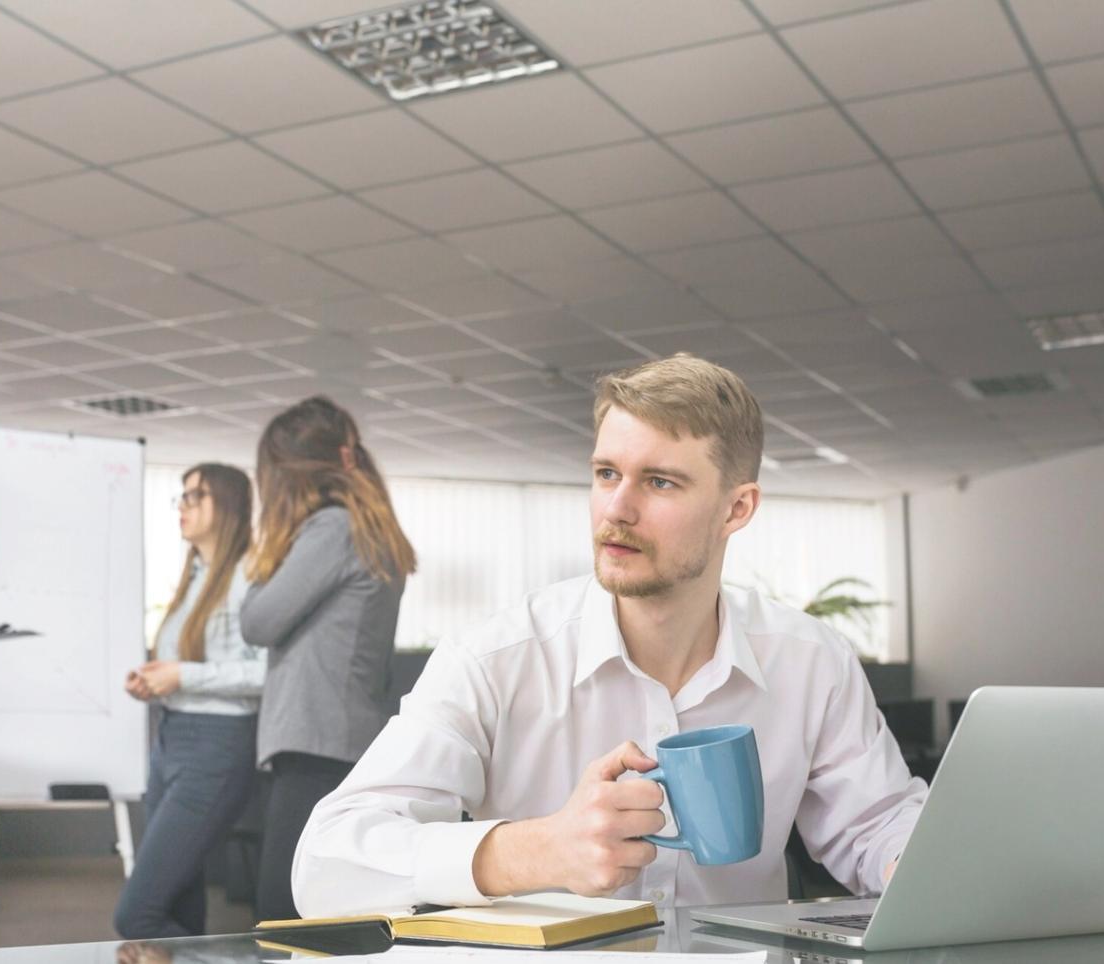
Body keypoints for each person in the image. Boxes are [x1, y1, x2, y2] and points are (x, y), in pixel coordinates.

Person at [292, 354, 927, 917]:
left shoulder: (812, 661)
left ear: (737, 509)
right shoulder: (496, 658)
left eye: (659, 481)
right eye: (605, 474)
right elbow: (324, 864)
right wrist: (535, 850)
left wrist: (915, 867)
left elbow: (877, 825)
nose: (617, 509)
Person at [239, 396, 416, 920]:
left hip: (316, 746)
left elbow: (257, 621)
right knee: (317, 915)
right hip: (338, 744)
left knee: (281, 914)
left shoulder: (333, 529)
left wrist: (268, 553)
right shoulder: (363, 528)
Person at [115, 463, 266, 939]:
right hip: (171, 737)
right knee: (179, 907)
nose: (182, 505)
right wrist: (155, 679)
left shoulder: (251, 575)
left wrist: (182, 675)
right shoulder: (195, 575)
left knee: (137, 916)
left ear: (228, 505)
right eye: (181, 495)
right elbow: (188, 663)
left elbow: (267, 673)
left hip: (217, 744)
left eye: (196, 495)